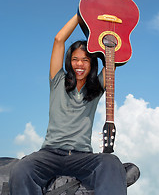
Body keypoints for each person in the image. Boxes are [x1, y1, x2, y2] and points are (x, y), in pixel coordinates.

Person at [9, 14, 128, 195]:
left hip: (82, 156)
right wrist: (82, 14)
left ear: (91, 64)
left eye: (85, 60)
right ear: (69, 62)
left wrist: (107, 26)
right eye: (75, 59)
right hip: (50, 153)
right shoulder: (57, 80)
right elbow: (58, 39)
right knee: (21, 169)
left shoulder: (97, 86)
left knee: (111, 163)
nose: (79, 64)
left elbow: (116, 55)